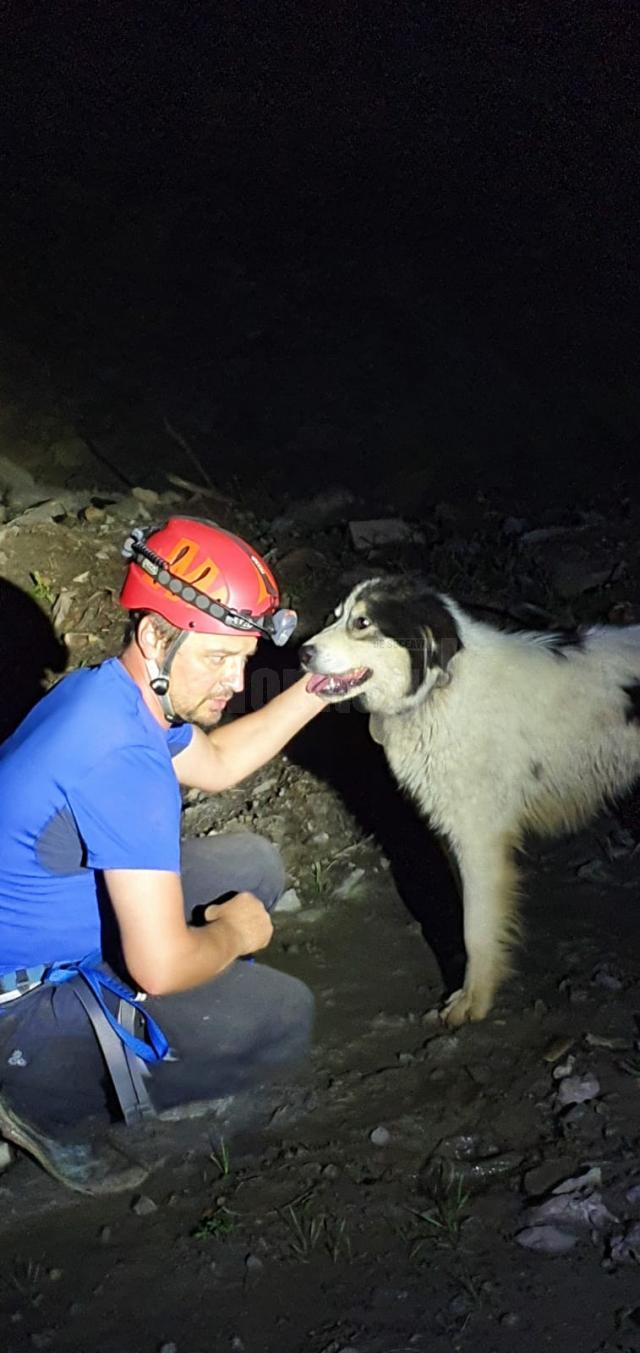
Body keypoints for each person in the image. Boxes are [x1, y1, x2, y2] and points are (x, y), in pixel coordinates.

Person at [0, 516, 327, 1193]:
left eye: (243, 658)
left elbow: (219, 761)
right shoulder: (123, 757)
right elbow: (161, 960)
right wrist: (233, 934)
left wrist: (325, 686)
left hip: (44, 930)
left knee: (255, 864)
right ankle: (38, 1101)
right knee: (283, 1015)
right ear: (155, 635)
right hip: (16, 1010)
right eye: (218, 657)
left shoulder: (110, 693)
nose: (235, 682)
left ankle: (153, 1034)